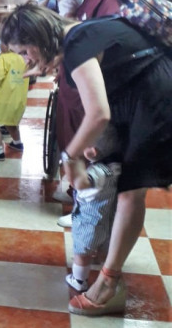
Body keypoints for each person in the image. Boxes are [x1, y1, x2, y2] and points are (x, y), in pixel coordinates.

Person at [0, 3, 172, 316]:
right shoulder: (83, 31)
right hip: (146, 97)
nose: (25, 60)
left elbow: (98, 113)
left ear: (38, 38)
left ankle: (107, 285)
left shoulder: (77, 43)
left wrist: (71, 156)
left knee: (131, 191)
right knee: (127, 188)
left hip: (159, 100)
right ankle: (109, 270)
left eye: (25, 51)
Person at [56, 0, 131, 228]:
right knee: (74, 142)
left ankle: (84, 211)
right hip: (74, 86)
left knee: (88, 150)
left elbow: (102, 50)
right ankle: (77, 196)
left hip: (91, 91)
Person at [67, 125, 121, 293]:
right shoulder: (118, 167)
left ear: (93, 152)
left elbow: (80, 183)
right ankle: (104, 269)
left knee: (82, 251)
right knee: (106, 246)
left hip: (90, 219)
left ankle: (79, 280)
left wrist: (70, 161)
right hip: (111, 218)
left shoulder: (98, 171)